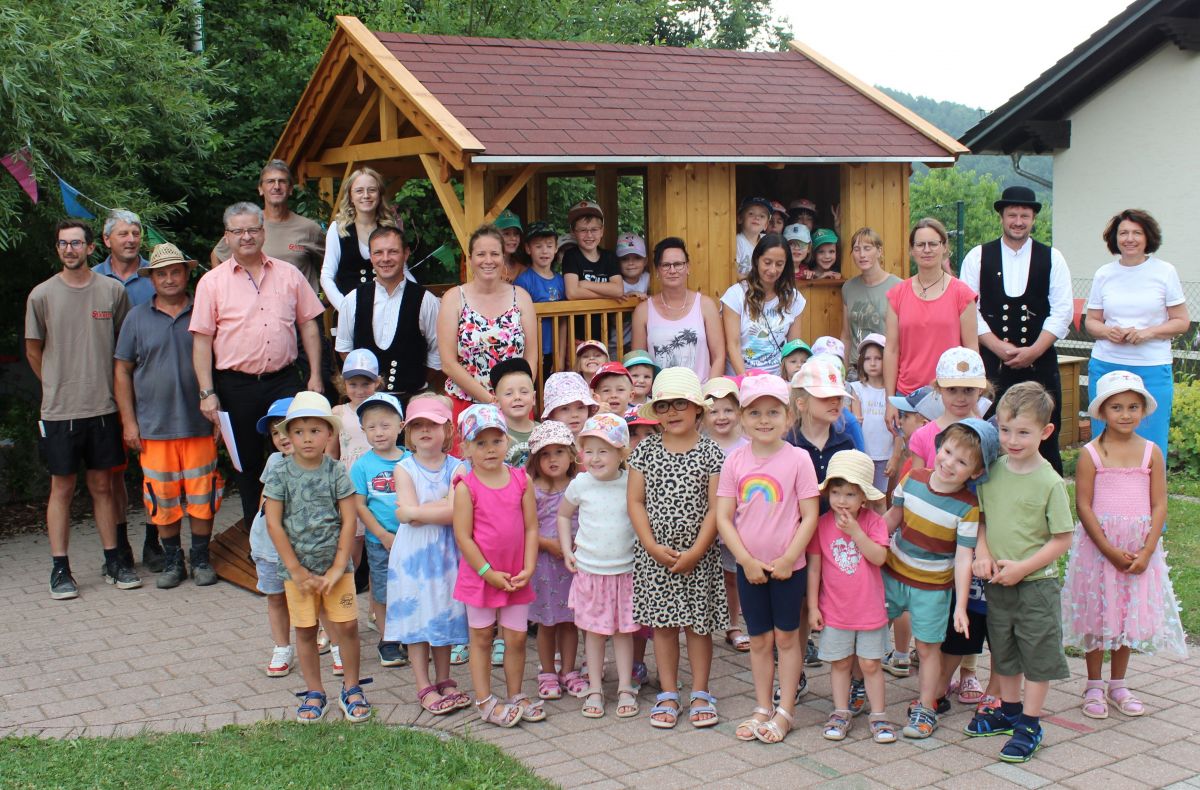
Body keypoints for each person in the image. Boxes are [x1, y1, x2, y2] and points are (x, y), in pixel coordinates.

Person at [191, 202, 326, 528]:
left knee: (299, 453)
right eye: (238, 231)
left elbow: (309, 325)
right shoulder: (211, 282)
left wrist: (316, 376)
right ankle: (256, 533)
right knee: (247, 463)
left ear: (263, 232)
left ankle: (300, 528)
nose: (246, 236)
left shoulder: (289, 274)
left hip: (284, 380)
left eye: (253, 229)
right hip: (236, 385)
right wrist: (207, 392)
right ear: (227, 237)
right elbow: (202, 341)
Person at [1062, 372, 1187, 720]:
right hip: (1099, 549)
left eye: (1133, 407)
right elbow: (1083, 505)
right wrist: (1107, 549)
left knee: (1125, 615)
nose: (1126, 414)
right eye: (1116, 407)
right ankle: (1093, 684)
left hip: (1136, 548)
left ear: (1143, 410)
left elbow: (1159, 504)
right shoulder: (1090, 454)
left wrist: (1146, 551)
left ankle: (1118, 684)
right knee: (1098, 614)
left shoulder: (1151, 453)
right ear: (1102, 411)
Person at [27, 220, 134, 598]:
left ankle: (114, 560)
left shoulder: (112, 291)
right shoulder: (41, 295)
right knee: (62, 487)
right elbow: (33, 350)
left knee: (104, 486)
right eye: (63, 243)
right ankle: (60, 569)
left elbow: (125, 347)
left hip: (103, 406)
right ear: (57, 248)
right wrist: (55, 385)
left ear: (91, 248)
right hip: (59, 411)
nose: (69, 249)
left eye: (76, 243)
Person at [967, 384, 1073, 763]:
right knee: (1004, 649)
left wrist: (1024, 568)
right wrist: (982, 552)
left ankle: (1030, 723)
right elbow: (982, 519)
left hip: (1036, 585)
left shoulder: (1050, 482)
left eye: (1023, 432)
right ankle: (1009, 711)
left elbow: (1062, 538)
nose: (1012, 440)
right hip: (998, 582)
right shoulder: (993, 472)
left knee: (1036, 654)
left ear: (1046, 432)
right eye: (1005, 430)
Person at [715, 375, 819, 745]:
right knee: (759, 640)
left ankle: (785, 710)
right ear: (742, 418)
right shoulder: (734, 461)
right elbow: (723, 517)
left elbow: (809, 515)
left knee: (787, 638)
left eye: (773, 412)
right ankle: (762, 706)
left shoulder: (799, 459)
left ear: (788, 417)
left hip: (788, 568)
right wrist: (744, 560)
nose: (764, 420)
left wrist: (790, 557)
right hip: (750, 568)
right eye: (755, 412)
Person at [113, 243, 223, 589]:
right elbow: (122, 371)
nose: (170, 278)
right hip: (154, 426)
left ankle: (200, 559)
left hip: (199, 423)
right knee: (162, 498)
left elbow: (221, 365)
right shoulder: (136, 317)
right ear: (152, 279)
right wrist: (129, 422)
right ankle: (174, 561)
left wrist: (220, 415)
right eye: (162, 273)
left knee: (203, 495)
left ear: (187, 274)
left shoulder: (203, 311)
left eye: (176, 271)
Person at [628, 367, 729, 729]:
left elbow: (717, 508)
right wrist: (651, 545)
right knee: (664, 627)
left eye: (680, 404)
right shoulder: (645, 451)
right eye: (664, 405)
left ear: (698, 408)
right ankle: (668, 692)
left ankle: (701, 691)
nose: (672, 412)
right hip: (656, 558)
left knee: (699, 627)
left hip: (699, 556)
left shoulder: (711, 452)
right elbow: (635, 502)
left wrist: (697, 551)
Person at [263, 392, 370, 723]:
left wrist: (338, 566)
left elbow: (349, 520)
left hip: (337, 570)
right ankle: (314, 692)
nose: (306, 438)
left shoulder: (336, 471)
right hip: (298, 573)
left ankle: (352, 688)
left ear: (329, 434)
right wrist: (295, 570)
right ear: (288, 436)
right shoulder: (279, 473)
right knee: (306, 630)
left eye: (315, 431)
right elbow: (273, 523)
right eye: (298, 432)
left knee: (347, 626)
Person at [883, 419, 994, 740]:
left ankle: (926, 707)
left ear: (975, 472)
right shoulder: (913, 478)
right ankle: (858, 687)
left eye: (962, 462)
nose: (949, 463)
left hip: (933, 589)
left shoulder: (968, 507)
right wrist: (863, 541)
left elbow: (963, 558)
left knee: (928, 649)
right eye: (947, 452)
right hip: (892, 575)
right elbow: (892, 519)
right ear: (938, 447)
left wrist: (960, 606)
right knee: (871, 633)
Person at [959, 186, 1072, 473]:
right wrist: (996, 346)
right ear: (1002, 217)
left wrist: (1034, 350)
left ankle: (1047, 496)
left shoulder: (1053, 258)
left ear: (1033, 219)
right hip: (992, 366)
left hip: (1040, 365)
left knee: (1045, 436)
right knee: (988, 436)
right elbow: (968, 309)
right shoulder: (977, 256)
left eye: (1024, 215)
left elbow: (1062, 312)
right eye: (1012, 215)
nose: (1018, 221)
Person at [452, 404, 543, 727]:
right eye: (480, 443)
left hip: (517, 576)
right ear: (465, 448)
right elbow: (463, 537)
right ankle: (484, 700)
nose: (490, 449)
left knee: (516, 638)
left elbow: (531, 527)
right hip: (481, 578)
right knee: (481, 638)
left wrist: (529, 567)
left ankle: (515, 693)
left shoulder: (521, 480)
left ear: (507, 441)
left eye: (496, 441)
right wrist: (487, 573)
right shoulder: (466, 487)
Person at [385, 393, 471, 716]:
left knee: (443, 614)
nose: (424, 431)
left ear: (446, 429)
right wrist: (439, 507)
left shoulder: (457, 466)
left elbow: (454, 511)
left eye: (432, 425)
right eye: (417, 425)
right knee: (417, 618)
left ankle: (444, 678)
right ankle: (423, 683)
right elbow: (415, 513)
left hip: (447, 552)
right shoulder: (404, 468)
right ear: (408, 431)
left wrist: (417, 512)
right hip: (414, 556)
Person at [1084, 209, 1189, 457]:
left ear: (1147, 237)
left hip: (1151, 368)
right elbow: (1091, 322)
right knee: (1105, 441)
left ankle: (1150, 484)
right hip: (1107, 366)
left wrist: (1148, 333)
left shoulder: (1165, 272)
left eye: (1136, 233)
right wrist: (1108, 331)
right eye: (1123, 233)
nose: (1129, 239)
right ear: (1115, 238)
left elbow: (1181, 322)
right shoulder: (1104, 274)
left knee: (1151, 442)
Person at [806, 450, 895, 745]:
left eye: (850, 494)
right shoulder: (821, 524)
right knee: (840, 663)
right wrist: (812, 606)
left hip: (869, 610)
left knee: (870, 665)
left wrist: (856, 532)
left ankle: (879, 715)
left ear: (864, 498)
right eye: (836, 492)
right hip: (835, 610)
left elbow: (879, 557)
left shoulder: (873, 522)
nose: (842, 500)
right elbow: (815, 567)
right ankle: (840, 711)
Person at [559, 413, 641, 719]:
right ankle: (595, 688)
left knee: (622, 633)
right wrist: (567, 549)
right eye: (589, 451)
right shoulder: (581, 484)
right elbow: (563, 515)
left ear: (621, 453)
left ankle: (624, 687)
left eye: (603, 451)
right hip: (590, 572)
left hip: (625, 572)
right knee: (593, 633)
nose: (594, 458)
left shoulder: (630, 482)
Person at [95, 210, 155, 570]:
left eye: (135, 232)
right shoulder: (92, 278)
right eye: (122, 233)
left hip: (149, 388)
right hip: (105, 391)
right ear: (106, 240)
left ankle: (154, 541)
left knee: (153, 469)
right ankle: (119, 547)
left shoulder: (155, 275)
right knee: (112, 471)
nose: (131, 239)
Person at [437, 225, 539, 428]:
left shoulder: (521, 297)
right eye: (481, 254)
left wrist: (518, 396)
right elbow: (448, 363)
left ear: (503, 257)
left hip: (515, 406)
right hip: (467, 404)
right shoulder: (454, 298)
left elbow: (531, 357)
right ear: (470, 258)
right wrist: (492, 401)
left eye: (494, 254)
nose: (488, 260)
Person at [884, 218, 979, 433]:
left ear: (945, 247)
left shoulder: (962, 294)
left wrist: (972, 397)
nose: (927, 250)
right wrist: (889, 400)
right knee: (910, 454)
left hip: (951, 395)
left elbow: (971, 350)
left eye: (933, 244)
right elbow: (891, 350)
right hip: (907, 397)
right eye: (920, 244)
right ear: (912, 250)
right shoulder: (897, 294)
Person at [334, 226, 442, 405]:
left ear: (406, 254)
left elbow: (437, 352)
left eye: (393, 251)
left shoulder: (427, 301)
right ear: (370, 256)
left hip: (413, 401)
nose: (385, 258)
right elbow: (344, 349)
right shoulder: (352, 299)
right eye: (378, 252)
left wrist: (415, 381)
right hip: (367, 403)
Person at [526, 421, 584, 703]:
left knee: (570, 621)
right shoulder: (531, 489)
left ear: (571, 455)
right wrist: (548, 544)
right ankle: (548, 672)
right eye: (545, 454)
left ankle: (569, 670)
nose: (553, 459)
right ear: (535, 459)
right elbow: (524, 527)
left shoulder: (578, 486)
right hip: (543, 566)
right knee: (547, 623)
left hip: (573, 565)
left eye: (559, 452)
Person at [350, 392, 409, 668]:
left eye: (385, 425)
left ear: (401, 425)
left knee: (411, 587)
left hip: (411, 538)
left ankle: (412, 635)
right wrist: (382, 534)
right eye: (371, 427)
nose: (379, 432)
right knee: (383, 591)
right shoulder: (362, 466)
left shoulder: (410, 460)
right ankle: (388, 640)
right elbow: (360, 506)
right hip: (379, 540)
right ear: (363, 430)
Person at [210, 160, 325, 297]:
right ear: (260, 189)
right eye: (270, 181)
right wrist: (227, 293)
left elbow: (332, 267)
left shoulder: (310, 229)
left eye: (282, 181)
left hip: (300, 309)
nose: (276, 186)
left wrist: (327, 299)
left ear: (290, 189)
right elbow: (217, 255)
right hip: (256, 307)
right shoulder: (248, 226)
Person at [632, 237, 725, 380]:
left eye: (678, 264)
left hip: (701, 390)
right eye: (666, 265)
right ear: (657, 270)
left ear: (688, 267)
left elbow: (719, 356)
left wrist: (710, 390)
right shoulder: (643, 311)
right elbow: (638, 362)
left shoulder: (706, 305)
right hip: (660, 392)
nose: (672, 270)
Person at [248, 398, 295, 676]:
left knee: (314, 598)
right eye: (275, 433)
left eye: (287, 429)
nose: (281, 437)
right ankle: (282, 647)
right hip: (269, 547)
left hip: (303, 547)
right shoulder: (274, 461)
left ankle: (332, 641)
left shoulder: (321, 465)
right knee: (275, 597)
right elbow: (264, 500)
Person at [721, 234, 805, 376]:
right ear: (756, 260)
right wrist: (747, 381)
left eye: (779, 264)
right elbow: (733, 345)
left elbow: (793, 348)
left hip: (778, 379)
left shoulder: (794, 298)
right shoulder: (735, 295)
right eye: (767, 262)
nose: (772, 270)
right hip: (742, 377)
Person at [320, 166, 398, 312]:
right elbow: (326, 276)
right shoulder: (338, 229)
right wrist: (344, 307)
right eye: (359, 191)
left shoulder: (390, 228)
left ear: (379, 194)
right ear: (350, 196)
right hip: (350, 313)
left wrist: (421, 298)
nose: (366, 195)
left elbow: (402, 270)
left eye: (372, 190)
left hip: (386, 311)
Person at [513, 221, 565, 373]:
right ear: (528, 249)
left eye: (549, 246)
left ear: (556, 248)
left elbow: (563, 321)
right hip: (532, 352)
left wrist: (561, 356)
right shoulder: (523, 281)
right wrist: (530, 353)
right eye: (538, 246)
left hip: (554, 350)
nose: (544, 251)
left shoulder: (561, 281)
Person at [841, 228, 901, 355]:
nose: (862, 254)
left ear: (879, 251)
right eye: (856, 249)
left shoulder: (899, 286)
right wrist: (843, 366)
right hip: (856, 363)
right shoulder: (848, 287)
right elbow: (846, 336)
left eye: (867, 248)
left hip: (885, 361)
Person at [847, 334, 892, 495]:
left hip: (885, 455)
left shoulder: (891, 391)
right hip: (862, 454)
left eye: (878, 358)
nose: (872, 363)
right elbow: (856, 421)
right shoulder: (857, 388)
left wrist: (895, 456)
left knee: (880, 497)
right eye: (867, 358)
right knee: (861, 496)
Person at [491, 357, 538, 468]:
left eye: (524, 392)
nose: (517, 397)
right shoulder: (495, 435)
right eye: (509, 394)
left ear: (533, 398)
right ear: (496, 402)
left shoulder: (543, 431)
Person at [735, 196, 771, 278]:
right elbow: (733, 272)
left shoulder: (767, 240)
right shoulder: (738, 241)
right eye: (751, 214)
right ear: (740, 218)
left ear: (766, 225)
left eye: (762, 216)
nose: (757, 218)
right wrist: (752, 282)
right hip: (743, 285)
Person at [494, 209, 527, 282]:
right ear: (494, 236)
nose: (513, 238)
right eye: (506, 234)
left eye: (516, 233)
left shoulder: (522, 270)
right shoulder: (487, 266)